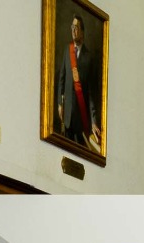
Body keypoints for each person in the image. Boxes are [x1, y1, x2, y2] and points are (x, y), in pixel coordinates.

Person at [54, 15, 100, 152]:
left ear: (82, 31)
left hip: (81, 119)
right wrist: (60, 104)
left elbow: (91, 94)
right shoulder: (67, 51)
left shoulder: (89, 58)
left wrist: (93, 121)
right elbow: (61, 79)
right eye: (72, 27)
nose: (73, 30)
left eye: (76, 28)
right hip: (67, 116)